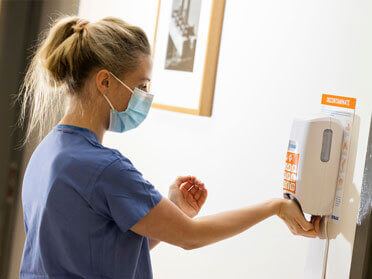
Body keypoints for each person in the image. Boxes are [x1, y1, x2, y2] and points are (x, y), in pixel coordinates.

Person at [16, 16, 320, 279]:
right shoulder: (104, 168)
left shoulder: (46, 154)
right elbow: (192, 237)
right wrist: (275, 207)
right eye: (142, 86)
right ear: (104, 82)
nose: (146, 97)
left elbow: (102, 247)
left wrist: (171, 211)